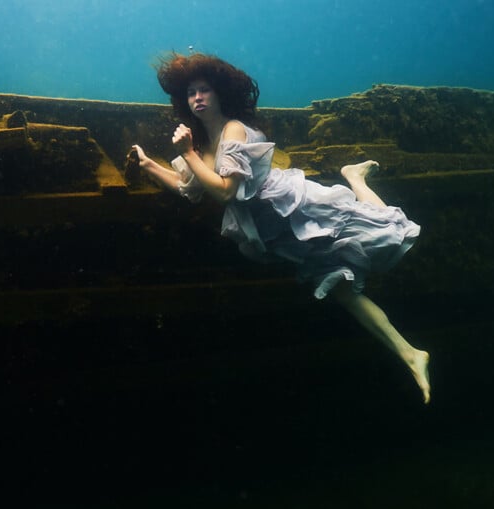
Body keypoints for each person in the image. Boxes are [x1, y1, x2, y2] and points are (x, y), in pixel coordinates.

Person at [132, 53, 431, 404]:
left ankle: (355, 178)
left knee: (385, 229)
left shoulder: (232, 129)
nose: (197, 98)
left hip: (291, 207)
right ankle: (410, 353)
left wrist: (188, 154)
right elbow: (192, 189)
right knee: (342, 289)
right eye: (190, 93)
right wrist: (149, 165)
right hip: (275, 230)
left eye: (204, 90)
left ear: (220, 93)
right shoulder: (205, 142)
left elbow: (226, 191)